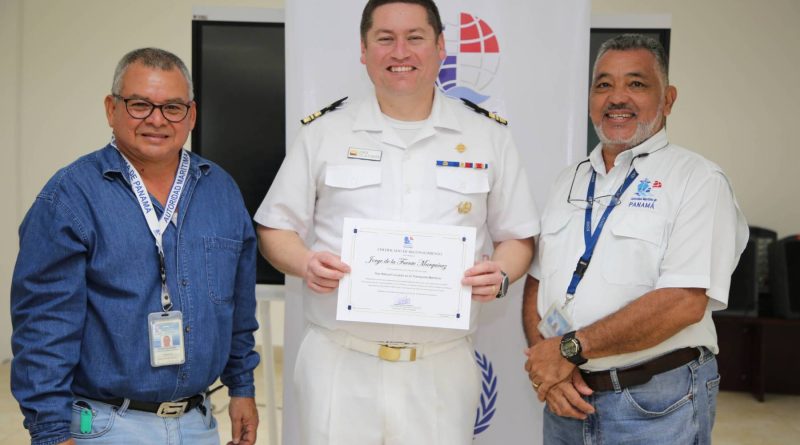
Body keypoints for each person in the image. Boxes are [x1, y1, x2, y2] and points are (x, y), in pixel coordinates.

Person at [254, 0, 539, 443]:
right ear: (363, 50)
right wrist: (305, 262)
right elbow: (275, 227)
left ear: (440, 47)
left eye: (415, 38)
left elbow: (518, 236)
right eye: (385, 39)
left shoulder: (488, 137)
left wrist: (501, 273)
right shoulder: (324, 133)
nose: (400, 52)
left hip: (441, 366)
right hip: (339, 362)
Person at [11, 48, 260, 445]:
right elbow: (44, 329)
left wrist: (242, 386)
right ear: (112, 109)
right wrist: (51, 433)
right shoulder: (70, 197)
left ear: (191, 115)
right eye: (140, 104)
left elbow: (239, 306)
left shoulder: (221, 191)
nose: (157, 119)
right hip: (106, 426)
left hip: (199, 424)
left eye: (172, 107)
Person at [522, 34, 748, 444]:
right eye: (603, 84)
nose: (617, 98)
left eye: (636, 83)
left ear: (668, 99)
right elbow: (538, 281)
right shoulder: (567, 181)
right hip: (566, 399)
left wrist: (568, 350)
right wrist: (551, 372)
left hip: (655, 406)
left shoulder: (698, 180)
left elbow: (683, 301)